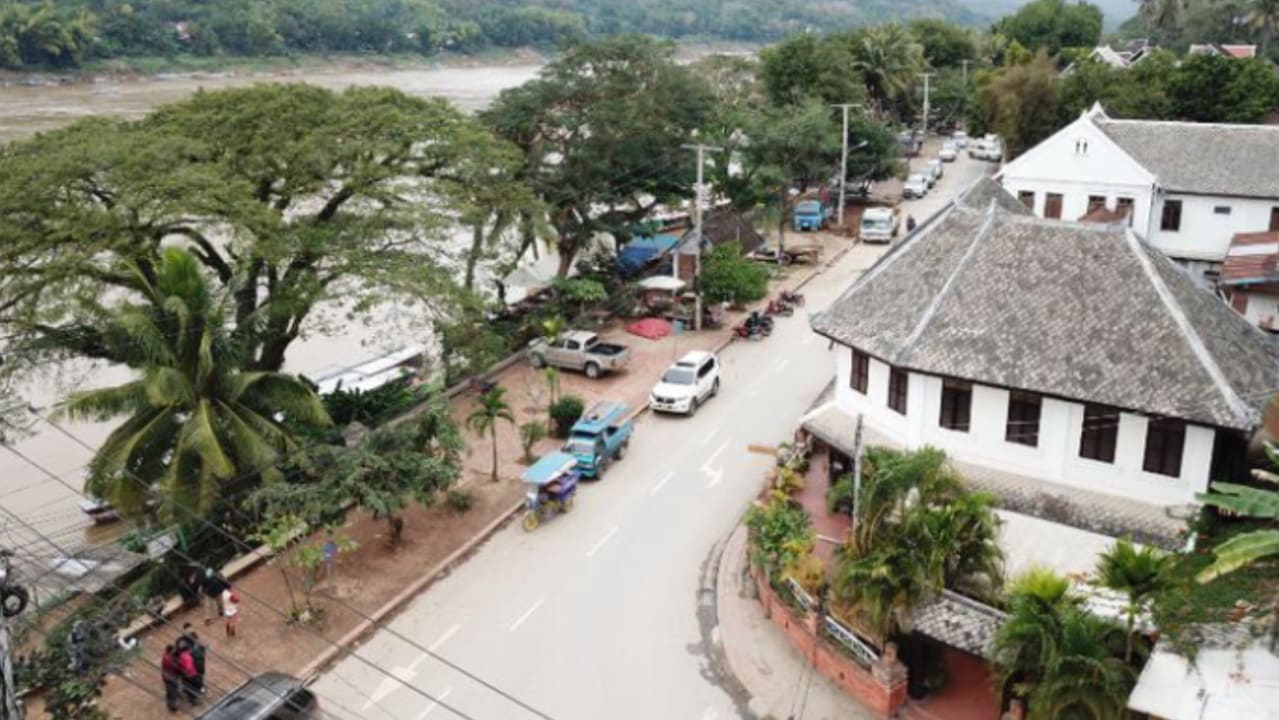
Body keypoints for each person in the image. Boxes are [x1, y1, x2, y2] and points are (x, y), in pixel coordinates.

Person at [176, 642, 200, 706]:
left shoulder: (181, 656)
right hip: (191, 674)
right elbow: (188, 667)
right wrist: (188, 673)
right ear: (187, 650)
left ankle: (191, 699)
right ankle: (193, 700)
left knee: (189, 687)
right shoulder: (187, 657)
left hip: (185, 675)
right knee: (194, 687)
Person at [160, 645, 182, 712]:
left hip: (167, 676)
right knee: (172, 691)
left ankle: (170, 704)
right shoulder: (168, 659)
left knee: (170, 690)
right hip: (170, 677)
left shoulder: (166, 657)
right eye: (173, 650)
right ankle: (172, 706)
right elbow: (174, 666)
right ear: (170, 651)